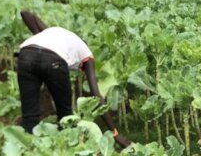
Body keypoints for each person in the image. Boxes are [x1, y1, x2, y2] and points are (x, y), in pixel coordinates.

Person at [15, 10, 129, 147]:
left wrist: (38, 34)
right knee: (66, 116)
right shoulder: (87, 54)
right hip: (53, 60)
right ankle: (65, 152)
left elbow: (25, 13)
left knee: (29, 116)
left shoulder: (52, 33)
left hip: (26, 53)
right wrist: (114, 133)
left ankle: (30, 155)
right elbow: (96, 96)